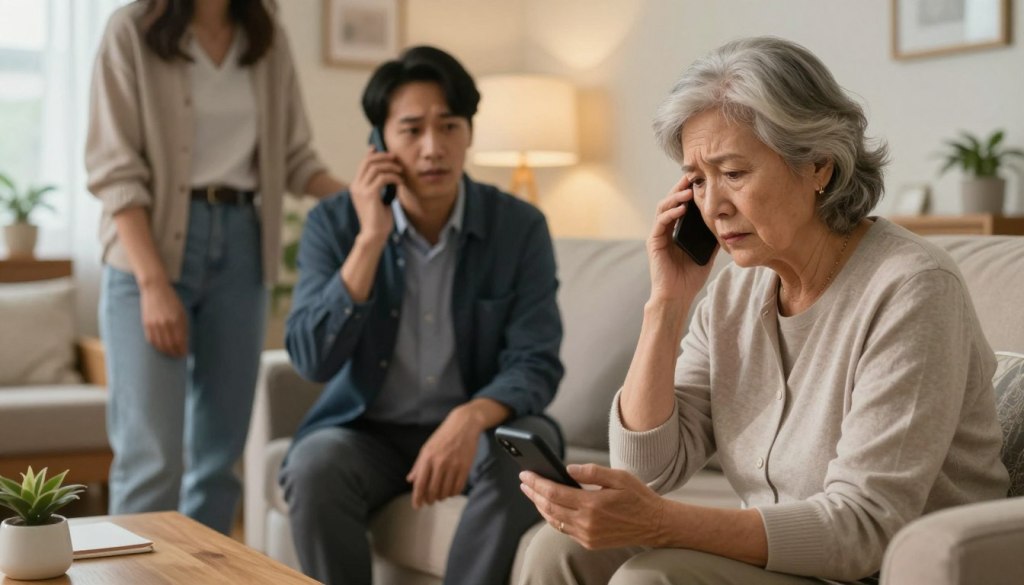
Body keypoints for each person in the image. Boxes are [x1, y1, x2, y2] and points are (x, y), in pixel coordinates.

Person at [517, 36, 1010, 585]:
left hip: (878, 569)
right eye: (698, 180)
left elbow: (864, 529)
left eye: (733, 173)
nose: (713, 206)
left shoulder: (913, 289)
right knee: (554, 550)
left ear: (818, 164)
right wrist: (667, 304)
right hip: (794, 556)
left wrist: (661, 525)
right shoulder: (734, 294)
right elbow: (648, 470)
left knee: (650, 578)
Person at [279, 45, 565, 585]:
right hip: (368, 437)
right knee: (314, 465)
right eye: (411, 130)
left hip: (477, 431)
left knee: (531, 450)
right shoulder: (334, 225)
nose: (433, 148)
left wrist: (469, 418)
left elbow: (536, 362)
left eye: (449, 126)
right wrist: (369, 241)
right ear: (379, 142)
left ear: (470, 133)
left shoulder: (519, 227)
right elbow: (311, 358)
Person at [85, 0, 344, 535]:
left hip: (243, 245)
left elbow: (294, 157)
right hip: (147, 252)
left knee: (220, 458)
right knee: (151, 456)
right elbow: (114, 171)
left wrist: (360, 198)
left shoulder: (265, 34)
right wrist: (154, 284)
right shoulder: (130, 31)